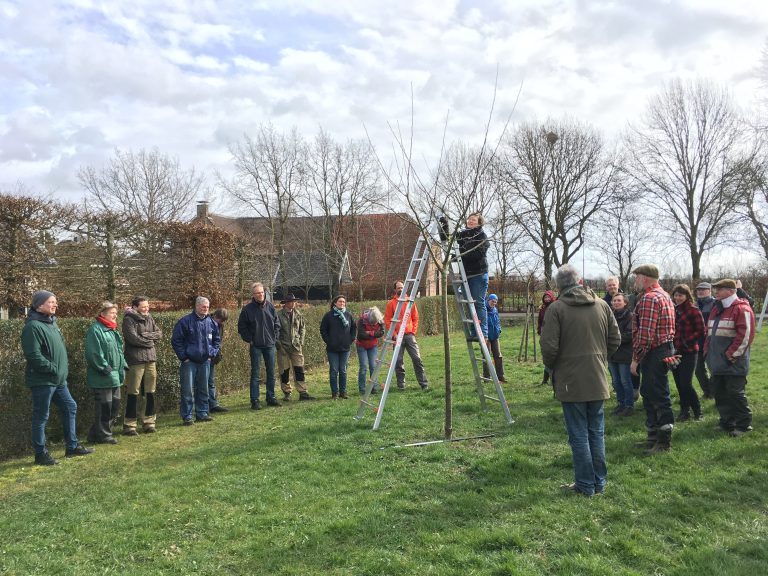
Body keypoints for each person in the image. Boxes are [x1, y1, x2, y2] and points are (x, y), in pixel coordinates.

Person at [541, 264, 620, 497]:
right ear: (581, 281)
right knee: (596, 432)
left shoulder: (556, 309)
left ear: (559, 285)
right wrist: (600, 359)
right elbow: (615, 339)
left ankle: (586, 484)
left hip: (570, 380)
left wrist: (554, 367)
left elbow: (549, 347)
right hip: (597, 377)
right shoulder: (603, 305)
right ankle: (599, 482)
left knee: (578, 434)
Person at [21, 290, 93, 465]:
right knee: (41, 416)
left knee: (70, 406)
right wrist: (53, 368)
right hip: (43, 380)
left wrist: (61, 371)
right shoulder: (32, 326)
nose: (55, 305)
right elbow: (33, 355)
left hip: (59, 380)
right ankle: (40, 454)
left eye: (55, 302)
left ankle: (72, 447)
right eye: (51, 302)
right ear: (39, 305)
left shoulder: (52, 323)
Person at [630, 264, 676, 453]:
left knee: (656, 395)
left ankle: (663, 442)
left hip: (654, 352)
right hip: (664, 349)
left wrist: (635, 359)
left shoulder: (649, 298)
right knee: (652, 393)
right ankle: (654, 437)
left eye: (637, 277)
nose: (635, 281)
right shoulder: (664, 295)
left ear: (645, 278)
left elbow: (646, 335)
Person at [705, 279, 755, 437]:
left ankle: (743, 424)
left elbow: (745, 336)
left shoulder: (742, 309)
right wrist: (707, 353)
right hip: (717, 362)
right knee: (719, 392)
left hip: (733, 362)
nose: (716, 292)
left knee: (735, 393)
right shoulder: (716, 308)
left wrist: (730, 356)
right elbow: (709, 333)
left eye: (719, 289)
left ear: (731, 291)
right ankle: (727, 422)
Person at [171, 296, 221, 425]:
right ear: (197, 306)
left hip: (205, 361)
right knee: (187, 390)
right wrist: (184, 357)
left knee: (203, 389)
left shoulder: (211, 322)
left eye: (207, 307)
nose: (206, 309)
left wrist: (212, 354)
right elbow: (176, 341)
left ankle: (202, 413)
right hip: (189, 362)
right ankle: (187, 416)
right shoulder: (185, 321)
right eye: (203, 307)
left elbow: (217, 340)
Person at [85, 301, 128, 444]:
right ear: (102, 314)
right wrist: (105, 368)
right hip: (103, 376)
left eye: (116, 313)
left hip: (115, 375)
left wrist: (123, 365)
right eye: (112, 313)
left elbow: (118, 352)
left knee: (114, 406)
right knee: (105, 407)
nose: (115, 315)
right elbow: (94, 354)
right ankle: (104, 435)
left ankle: (95, 434)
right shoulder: (95, 330)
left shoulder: (112, 329)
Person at [122, 295, 162, 435]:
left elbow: (159, 333)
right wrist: (149, 341)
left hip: (151, 359)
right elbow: (132, 339)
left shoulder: (149, 318)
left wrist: (145, 335)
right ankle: (129, 425)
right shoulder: (128, 320)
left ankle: (149, 422)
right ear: (135, 307)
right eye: (143, 307)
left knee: (150, 392)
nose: (146, 309)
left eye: (147, 306)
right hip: (135, 360)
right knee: (133, 392)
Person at [238, 282, 281, 410]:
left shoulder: (271, 307)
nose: (260, 294)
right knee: (255, 374)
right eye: (257, 293)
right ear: (253, 294)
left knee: (271, 373)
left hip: (270, 345)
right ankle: (255, 400)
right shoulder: (247, 310)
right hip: (256, 345)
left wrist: (275, 338)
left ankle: (271, 397)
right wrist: (250, 340)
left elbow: (277, 324)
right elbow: (241, 327)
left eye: (262, 292)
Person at [384, 280, 429, 391]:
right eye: (398, 288)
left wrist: (413, 331)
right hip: (397, 336)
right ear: (395, 290)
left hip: (409, 335)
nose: (400, 289)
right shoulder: (391, 303)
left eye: (402, 287)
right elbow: (387, 320)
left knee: (417, 358)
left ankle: (423, 383)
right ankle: (401, 385)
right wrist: (394, 334)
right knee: (398, 361)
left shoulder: (410, 302)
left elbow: (415, 318)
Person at [670, 285, 704, 422]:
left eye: (681, 295)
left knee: (686, 383)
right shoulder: (673, 310)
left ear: (687, 296)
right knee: (678, 383)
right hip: (674, 352)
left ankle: (698, 411)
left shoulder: (693, 310)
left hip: (689, 351)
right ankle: (684, 411)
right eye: (676, 295)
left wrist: (684, 342)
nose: (678, 298)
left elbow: (701, 331)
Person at [456, 212, 490, 340]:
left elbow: (477, 255)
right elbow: (450, 239)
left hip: (478, 274)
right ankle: (474, 332)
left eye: (474, 220)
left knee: (477, 303)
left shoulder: (482, 237)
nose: (470, 221)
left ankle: (483, 333)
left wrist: (460, 256)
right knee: (469, 303)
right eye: (469, 219)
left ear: (479, 223)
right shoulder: (463, 235)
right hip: (466, 275)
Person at [277, 294, 314, 401]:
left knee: (299, 369)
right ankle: (287, 393)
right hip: (283, 347)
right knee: (284, 370)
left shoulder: (298, 314)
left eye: (294, 301)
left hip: (296, 346)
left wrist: (301, 341)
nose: (293, 303)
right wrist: (278, 344)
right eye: (291, 301)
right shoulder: (278, 315)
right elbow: (275, 331)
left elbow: (303, 328)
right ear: (286, 303)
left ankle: (303, 392)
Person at [320, 295, 357, 399]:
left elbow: (354, 327)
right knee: (334, 370)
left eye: (344, 302)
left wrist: (351, 339)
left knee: (343, 370)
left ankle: (343, 392)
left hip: (345, 348)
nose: (342, 303)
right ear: (335, 303)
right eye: (340, 302)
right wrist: (329, 341)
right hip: (332, 349)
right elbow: (323, 330)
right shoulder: (328, 316)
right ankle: (334, 393)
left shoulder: (348, 315)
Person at [608, 293, 634, 416]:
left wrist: (613, 340)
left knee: (625, 381)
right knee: (615, 381)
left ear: (625, 303)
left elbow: (630, 335)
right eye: (614, 300)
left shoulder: (630, 316)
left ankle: (629, 405)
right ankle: (620, 403)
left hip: (624, 354)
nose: (616, 302)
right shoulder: (609, 315)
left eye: (619, 300)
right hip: (612, 354)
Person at [356, 305, 385, 394]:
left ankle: (374, 387)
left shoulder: (380, 320)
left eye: (375, 323)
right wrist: (373, 334)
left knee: (373, 366)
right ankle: (362, 389)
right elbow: (361, 335)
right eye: (372, 323)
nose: (373, 324)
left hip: (373, 346)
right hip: (361, 345)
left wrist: (370, 333)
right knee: (363, 367)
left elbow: (381, 333)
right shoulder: (361, 320)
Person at [695, 282, 716, 399]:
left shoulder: (715, 304)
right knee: (698, 370)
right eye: (698, 289)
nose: (701, 291)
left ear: (709, 290)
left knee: (713, 369)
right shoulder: (694, 305)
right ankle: (707, 392)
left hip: (711, 342)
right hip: (697, 343)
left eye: (703, 289)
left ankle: (713, 392)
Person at [208, 308, 230, 413]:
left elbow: (218, 341)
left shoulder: (220, 325)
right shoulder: (206, 322)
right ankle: (204, 406)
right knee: (202, 382)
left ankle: (213, 405)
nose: (221, 323)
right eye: (220, 320)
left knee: (211, 381)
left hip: (213, 357)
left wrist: (218, 353)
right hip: (204, 356)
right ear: (215, 316)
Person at [483, 294, 506, 382]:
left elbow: (498, 321)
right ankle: (486, 378)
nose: (494, 303)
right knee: (486, 356)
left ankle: (500, 376)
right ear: (488, 300)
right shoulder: (483, 309)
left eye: (495, 301)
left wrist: (499, 329)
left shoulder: (495, 310)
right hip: (486, 337)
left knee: (498, 356)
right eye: (493, 301)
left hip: (495, 336)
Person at [537, 290, 556, 387]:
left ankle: (554, 380)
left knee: (552, 358)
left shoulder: (555, 307)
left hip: (553, 335)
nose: (547, 299)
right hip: (544, 336)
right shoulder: (543, 308)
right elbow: (540, 321)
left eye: (548, 297)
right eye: (545, 297)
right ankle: (545, 380)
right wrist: (539, 331)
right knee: (547, 357)